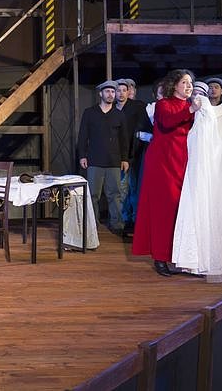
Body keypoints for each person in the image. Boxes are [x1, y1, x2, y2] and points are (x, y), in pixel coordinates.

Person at [172, 92, 222, 282]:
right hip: (202, 171)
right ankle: (199, 260)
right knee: (201, 209)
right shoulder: (200, 107)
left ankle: (219, 258)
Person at [132, 69, 199, 277]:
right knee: (165, 210)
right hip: (163, 163)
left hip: (185, 161)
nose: (189, 86)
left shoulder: (191, 106)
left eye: (190, 83)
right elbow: (169, 122)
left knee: (183, 210)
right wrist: (191, 110)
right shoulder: (164, 104)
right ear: (174, 85)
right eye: (184, 83)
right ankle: (160, 257)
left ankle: (182, 257)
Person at [77, 80, 129, 235]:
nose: (111, 94)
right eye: (107, 91)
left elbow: (124, 139)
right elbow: (83, 135)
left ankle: (117, 225)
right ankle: (93, 224)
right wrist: (82, 155)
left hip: (114, 160)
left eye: (113, 92)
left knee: (115, 195)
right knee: (93, 194)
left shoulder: (119, 114)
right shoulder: (90, 113)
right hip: (95, 159)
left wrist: (125, 159)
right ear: (101, 93)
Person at [115, 79, 149, 237]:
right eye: (119, 90)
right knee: (121, 189)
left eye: (125, 90)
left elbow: (144, 129)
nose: (122, 93)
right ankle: (123, 220)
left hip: (135, 155)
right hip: (118, 156)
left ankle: (135, 221)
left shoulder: (138, 107)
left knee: (134, 189)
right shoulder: (112, 109)